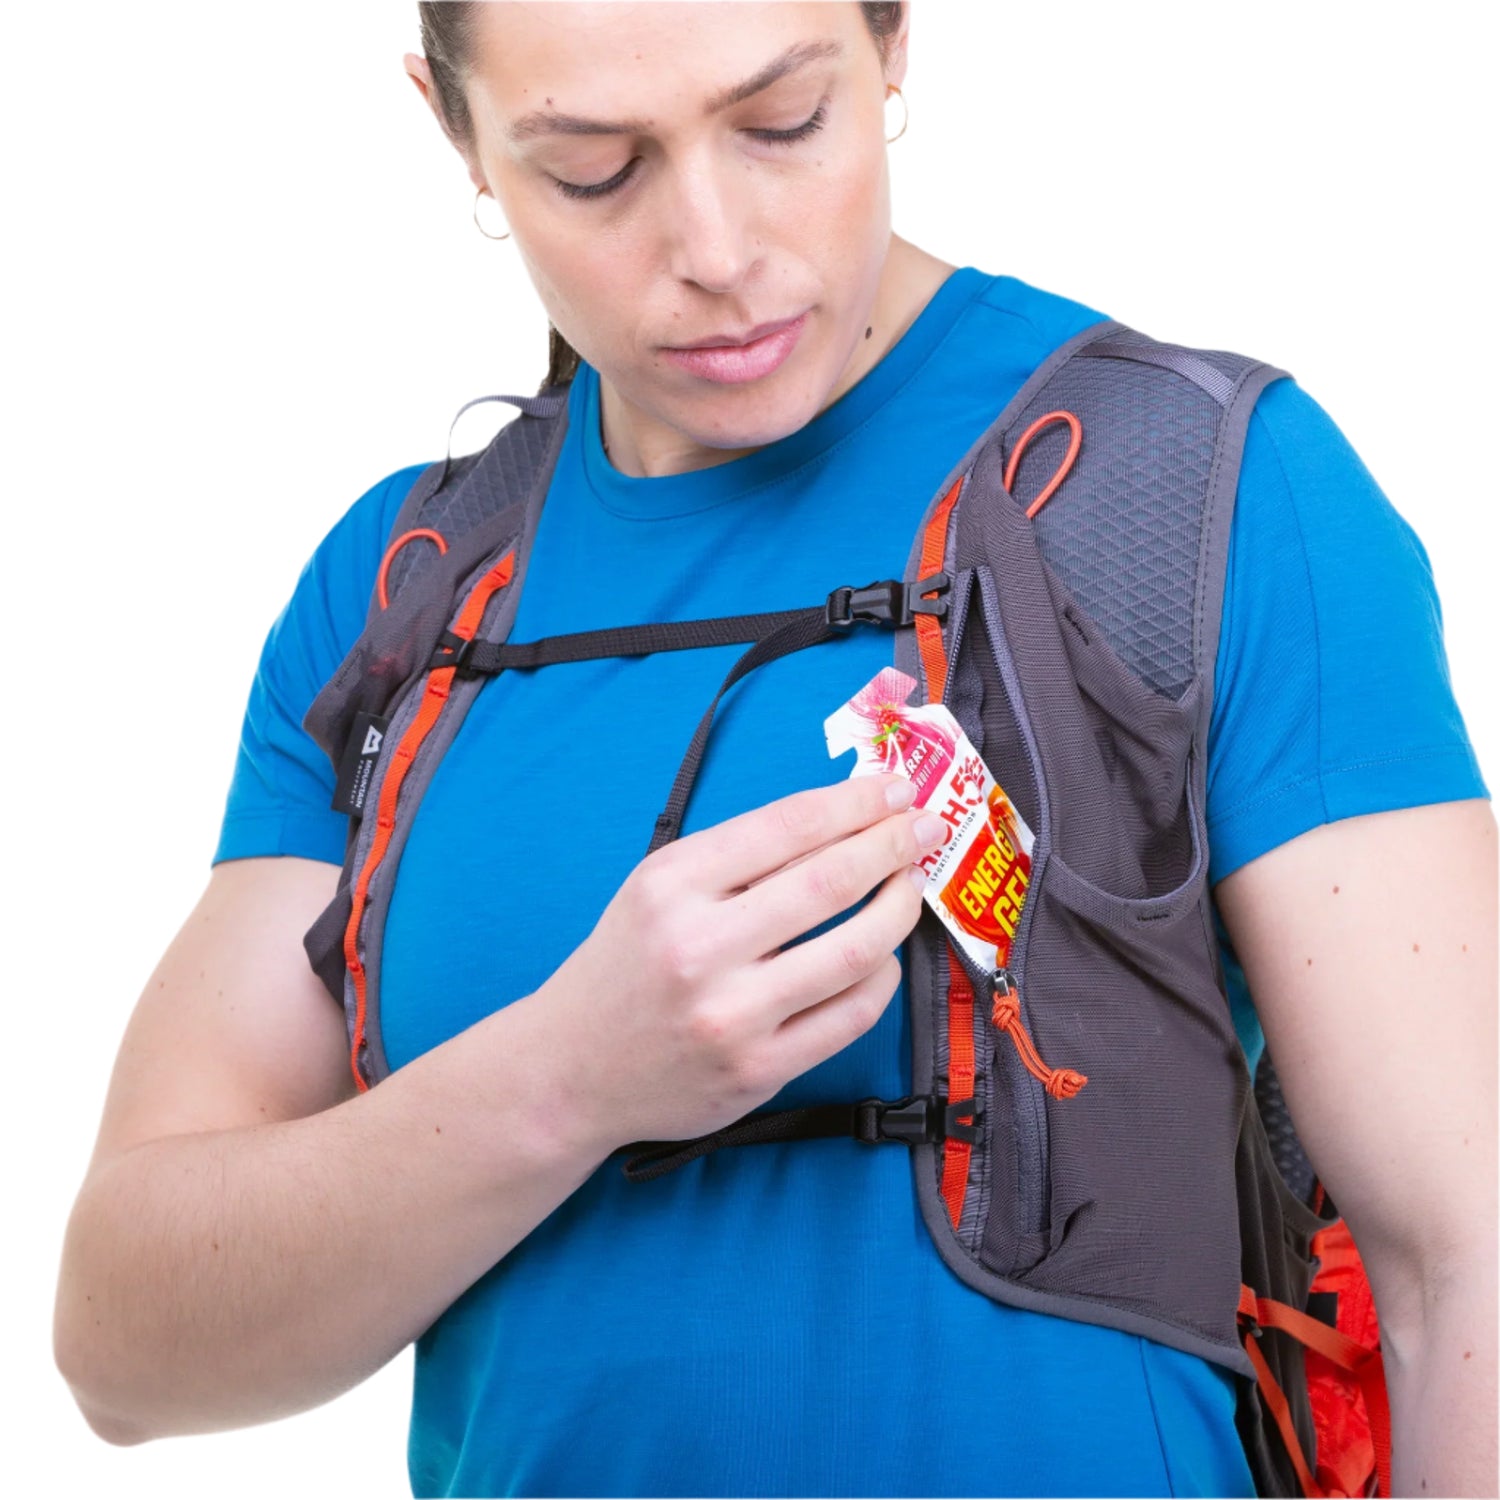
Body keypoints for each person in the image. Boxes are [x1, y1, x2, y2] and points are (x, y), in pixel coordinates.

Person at [53, 3, 1495, 1496]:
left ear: (892, 42)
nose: (718, 248)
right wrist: (567, 1078)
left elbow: (1463, 1261)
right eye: (595, 168)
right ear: (456, 131)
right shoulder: (407, 591)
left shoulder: (1205, 487)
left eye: (783, 122)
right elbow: (122, 1349)